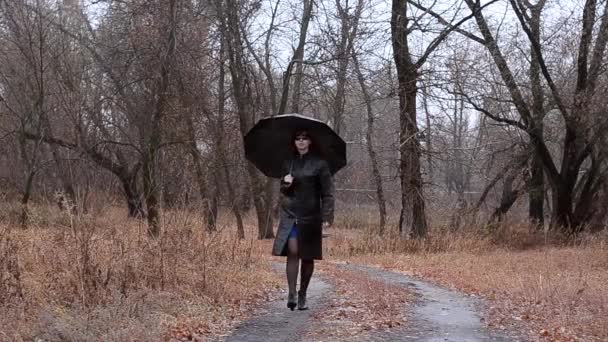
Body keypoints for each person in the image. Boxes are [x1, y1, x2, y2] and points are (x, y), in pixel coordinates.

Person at [271, 129, 334, 311]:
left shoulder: (320, 164)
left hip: (312, 215)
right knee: (293, 250)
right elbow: (283, 192)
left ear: (310, 142)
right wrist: (286, 184)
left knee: (307, 256)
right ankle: (291, 292)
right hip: (291, 213)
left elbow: (328, 193)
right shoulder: (288, 163)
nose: (300, 141)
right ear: (294, 142)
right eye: (297, 138)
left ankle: (303, 294)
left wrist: (326, 216)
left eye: (304, 138)